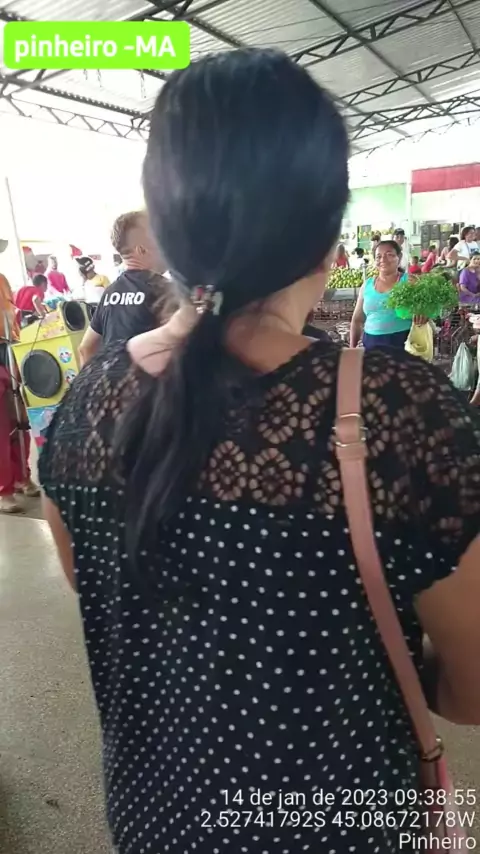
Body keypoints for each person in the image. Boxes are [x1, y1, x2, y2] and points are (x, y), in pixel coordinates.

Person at [39, 50, 480, 854]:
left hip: (153, 821)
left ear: (168, 229)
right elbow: (473, 683)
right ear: (327, 236)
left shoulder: (86, 401)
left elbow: (93, 583)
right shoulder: (398, 411)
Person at [78, 211, 170, 366]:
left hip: (114, 380)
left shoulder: (109, 293)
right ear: (142, 250)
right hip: (152, 381)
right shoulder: (165, 290)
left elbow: (85, 348)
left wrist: (93, 379)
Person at [0, 259, 39, 513]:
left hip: (8, 347)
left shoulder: (2, 279)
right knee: (1, 426)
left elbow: (10, 313)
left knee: (20, 420)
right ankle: (4, 489)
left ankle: (22, 476)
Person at [350, 240, 413, 350]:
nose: (383, 260)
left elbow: (425, 310)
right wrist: (352, 347)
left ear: (399, 257)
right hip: (370, 345)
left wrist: (423, 316)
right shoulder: (367, 285)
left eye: (389, 255)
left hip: (402, 343)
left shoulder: (410, 281)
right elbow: (357, 320)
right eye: (378, 256)